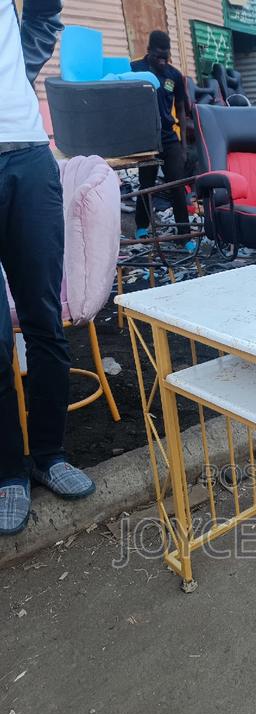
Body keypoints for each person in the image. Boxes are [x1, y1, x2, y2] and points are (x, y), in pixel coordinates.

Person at [0, 0, 96, 536]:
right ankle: (8, 472)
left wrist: (17, 76)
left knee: (43, 320)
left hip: (29, 157)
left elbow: (43, 15)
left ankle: (48, 454)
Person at [131, 30, 195, 252]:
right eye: (158, 55)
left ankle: (184, 234)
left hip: (169, 138)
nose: (162, 60)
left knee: (176, 185)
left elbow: (180, 108)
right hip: (145, 140)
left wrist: (184, 146)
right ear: (148, 51)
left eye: (165, 56)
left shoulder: (174, 76)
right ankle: (141, 226)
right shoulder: (134, 69)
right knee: (146, 185)